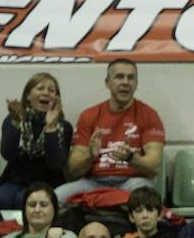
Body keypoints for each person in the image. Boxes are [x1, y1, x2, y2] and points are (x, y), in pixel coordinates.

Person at [58, 59, 164, 202]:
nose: (126, 82)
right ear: (107, 83)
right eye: (119, 77)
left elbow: (154, 166)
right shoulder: (89, 116)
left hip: (132, 182)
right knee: (55, 198)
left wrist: (130, 158)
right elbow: (74, 170)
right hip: (93, 182)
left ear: (136, 84)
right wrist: (90, 155)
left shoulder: (149, 115)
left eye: (131, 78)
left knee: (146, 197)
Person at [0, 73, 71, 208]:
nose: (46, 93)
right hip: (14, 180)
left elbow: (56, 164)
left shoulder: (64, 127)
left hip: (48, 182)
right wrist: (15, 123)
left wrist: (51, 128)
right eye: (40, 88)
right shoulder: (13, 119)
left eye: (51, 90)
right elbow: (7, 154)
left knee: (23, 200)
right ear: (28, 96)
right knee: (2, 199)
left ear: (57, 98)